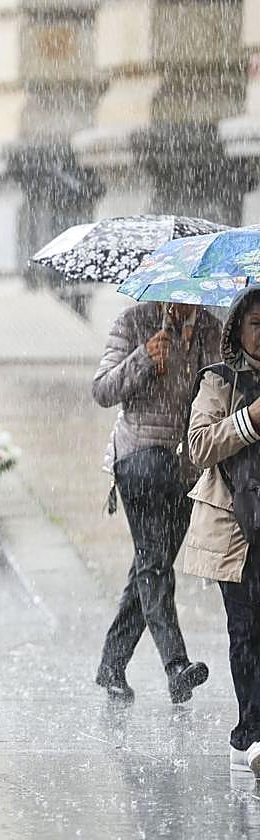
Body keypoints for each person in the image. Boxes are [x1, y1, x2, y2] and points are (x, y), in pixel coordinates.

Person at [92, 299, 218, 704]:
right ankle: (175, 666)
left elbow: (221, 391)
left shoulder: (211, 331)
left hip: (186, 466)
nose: (182, 304)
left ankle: (112, 663)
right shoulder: (134, 321)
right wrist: (142, 357)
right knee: (154, 562)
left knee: (152, 563)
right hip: (140, 458)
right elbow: (102, 390)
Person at [185, 288, 260, 775]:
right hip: (238, 530)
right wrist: (250, 419)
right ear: (237, 329)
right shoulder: (219, 381)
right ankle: (251, 733)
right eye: (257, 323)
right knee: (247, 631)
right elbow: (198, 445)